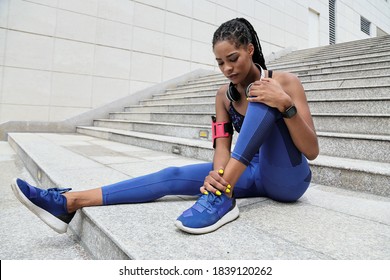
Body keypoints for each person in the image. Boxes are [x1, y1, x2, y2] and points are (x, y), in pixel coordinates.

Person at [11, 18, 319, 235]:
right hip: (248, 173)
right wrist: (217, 177)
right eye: (219, 62)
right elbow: (221, 148)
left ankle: (222, 196)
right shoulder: (222, 97)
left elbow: (311, 151)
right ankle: (68, 202)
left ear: (250, 50)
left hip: (288, 178)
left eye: (233, 58)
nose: (227, 69)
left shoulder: (284, 81)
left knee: (263, 91)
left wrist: (286, 105)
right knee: (170, 176)